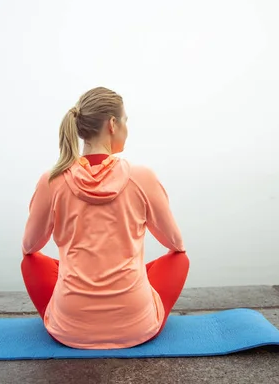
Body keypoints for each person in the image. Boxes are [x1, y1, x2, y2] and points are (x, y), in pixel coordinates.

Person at [20, 87, 189, 349]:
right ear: (112, 124)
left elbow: (30, 247)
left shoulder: (52, 180)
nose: (126, 128)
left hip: (69, 329)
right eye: (125, 121)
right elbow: (176, 244)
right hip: (137, 326)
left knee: (32, 262)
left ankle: (74, 311)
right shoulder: (141, 176)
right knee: (180, 260)